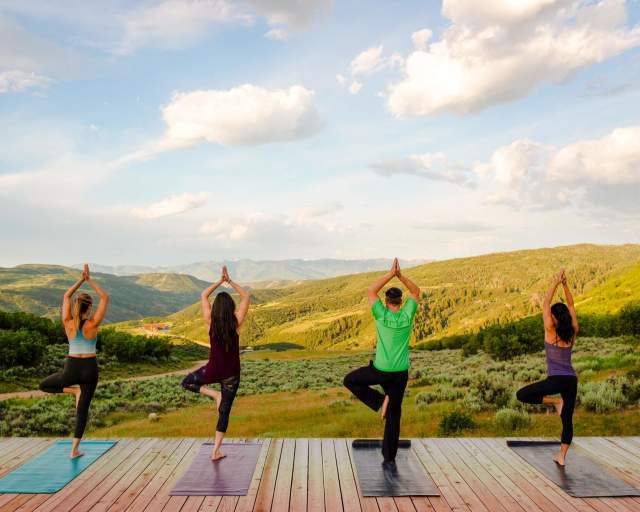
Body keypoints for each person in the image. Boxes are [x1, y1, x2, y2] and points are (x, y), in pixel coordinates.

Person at [343, 258, 420, 467]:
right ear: (401, 302)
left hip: (380, 370)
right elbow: (416, 291)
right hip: (400, 373)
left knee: (350, 380)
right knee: (394, 416)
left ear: (386, 302)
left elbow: (370, 291)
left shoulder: (381, 314)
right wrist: (401, 276)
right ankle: (389, 457)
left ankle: (379, 401)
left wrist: (390, 274)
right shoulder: (407, 315)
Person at [39, 264, 109, 459]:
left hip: (71, 369)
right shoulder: (93, 323)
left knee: (44, 385)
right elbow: (105, 297)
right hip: (89, 368)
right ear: (89, 308)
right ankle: (74, 450)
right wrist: (89, 280)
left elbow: (66, 297)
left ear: (77, 306)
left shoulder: (68, 322)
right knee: (82, 411)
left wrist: (80, 280)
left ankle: (73, 389)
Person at [181, 265, 250, 461]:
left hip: (213, 369)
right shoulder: (235, 322)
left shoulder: (210, 322)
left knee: (187, 382)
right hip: (231, 374)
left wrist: (220, 281)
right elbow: (245, 297)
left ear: (216, 308)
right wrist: (230, 282)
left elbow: (204, 295)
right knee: (224, 412)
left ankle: (213, 394)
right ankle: (215, 451)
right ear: (230, 308)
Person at [516, 269, 579, 466]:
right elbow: (571, 304)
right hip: (571, 380)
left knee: (522, 394)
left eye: (551, 315)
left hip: (556, 380)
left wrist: (555, 282)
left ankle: (554, 401)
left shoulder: (550, 330)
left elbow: (545, 303)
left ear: (554, 318)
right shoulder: (573, 331)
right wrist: (566, 285)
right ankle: (561, 457)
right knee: (567, 420)